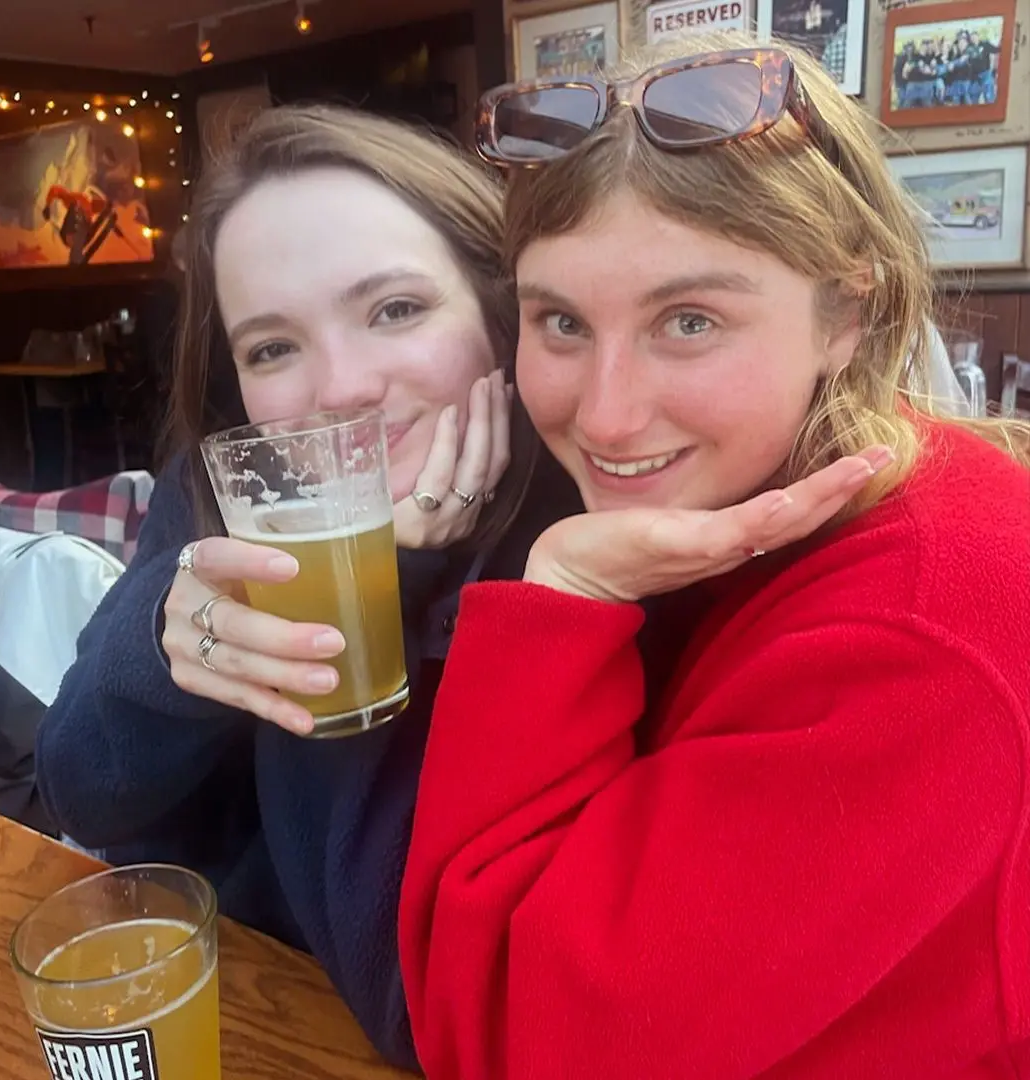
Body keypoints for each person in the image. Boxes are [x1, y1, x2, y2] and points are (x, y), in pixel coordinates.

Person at [399, 33, 1030, 1079]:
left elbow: (506, 1038)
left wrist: (565, 592)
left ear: (848, 312)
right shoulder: (771, 490)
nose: (605, 413)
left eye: (688, 320)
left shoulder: (916, 628)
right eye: (558, 320)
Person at [35, 103, 576, 1068]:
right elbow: (81, 793)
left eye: (396, 309)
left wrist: (381, 583)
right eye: (272, 347)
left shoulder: (577, 539)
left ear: (501, 309)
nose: (339, 389)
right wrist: (163, 645)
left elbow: (411, 996)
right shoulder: (223, 488)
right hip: (230, 1008)